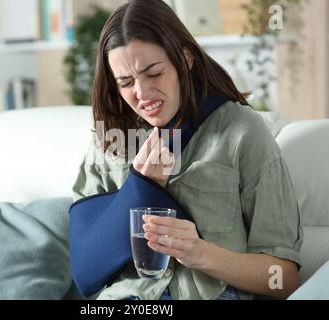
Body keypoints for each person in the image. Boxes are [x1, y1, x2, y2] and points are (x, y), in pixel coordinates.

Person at [70, 0, 302, 300]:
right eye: (126, 82)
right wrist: (140, 188)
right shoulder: (110, 140)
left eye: (153, 73)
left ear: (186, 58)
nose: (142, 94)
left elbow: (283, 279)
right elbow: (85, 269)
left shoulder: (241, 132)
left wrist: (200, 254)